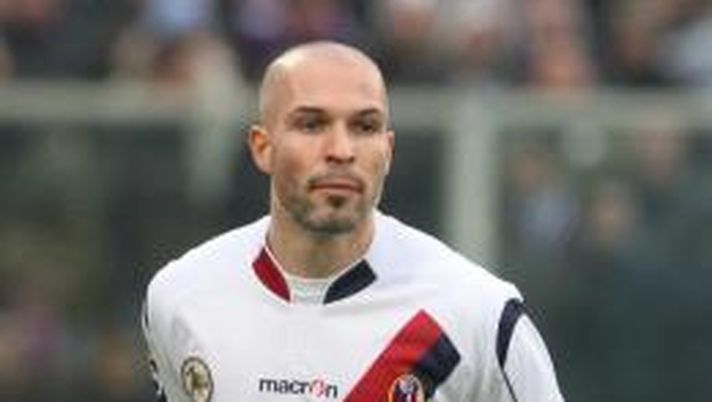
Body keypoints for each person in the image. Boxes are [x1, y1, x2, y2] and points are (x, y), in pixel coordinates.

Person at [142, 40, 564, 402]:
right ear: (262, 147)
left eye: (364, 126)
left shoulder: (477, 313)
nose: (341, 150)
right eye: (311, 124)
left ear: (388, 151)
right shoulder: (181, 297)